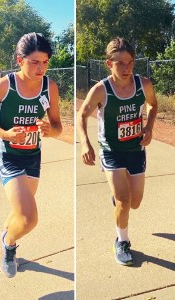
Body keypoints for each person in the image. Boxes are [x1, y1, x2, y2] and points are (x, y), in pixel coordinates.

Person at [0, 32, 62, 278]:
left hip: (32, 155)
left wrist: (50, 130)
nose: (40, 68)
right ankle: (8, 244)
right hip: (7, 155)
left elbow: (57, 126)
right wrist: (4, 134)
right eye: (35, 62)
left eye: (45, 62)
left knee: (20, 212)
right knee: (28, 218)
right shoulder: (5, 85)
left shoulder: (50, 87)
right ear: (19, 60)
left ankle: (2, 240)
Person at [77, 37, 157, 266]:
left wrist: (149, 127)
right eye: (119, 63)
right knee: (124, 200)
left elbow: (153, 105)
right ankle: (122, 241)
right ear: (108, 63)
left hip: (136, 149)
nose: (125, 68)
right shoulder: (101, 90)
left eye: (129, 62)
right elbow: (82, 115)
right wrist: (85, 143)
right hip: (111, 151)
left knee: (135, 202)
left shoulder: (144, 84)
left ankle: (119, 198)